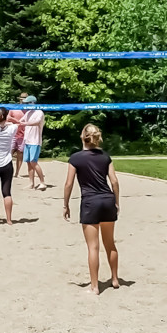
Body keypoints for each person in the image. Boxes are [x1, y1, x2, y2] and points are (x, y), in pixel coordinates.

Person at [63, 124, 120, 295]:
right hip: (107, 199)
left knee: (93, 247)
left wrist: (65, 204)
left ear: (83, 137)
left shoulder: (76, 158)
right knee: (110, 243)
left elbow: (68, 183)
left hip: (90, 202)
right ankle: (115, 279)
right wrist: (116, 202)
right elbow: (115, 181)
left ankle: (95, 287)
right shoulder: (105, 156)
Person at [19, 95, 47, 190]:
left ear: (32, 103)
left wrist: (24, 123)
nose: (25, 105)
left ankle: (42, 182)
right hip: (27, 140)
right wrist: (9, 122)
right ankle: (31, 183)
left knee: (33, 162)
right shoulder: (28, 113)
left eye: (27, 103)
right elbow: (20, 121)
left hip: (35, 141)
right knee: (28, 162)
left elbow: (36, 122)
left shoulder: (39, 112)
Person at [7, 92, 28, 177]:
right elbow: (8, 118)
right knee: (9, 153)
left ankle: (17, 173)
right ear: (20, 99)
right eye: (22, 99)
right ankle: (7, 172)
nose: (23, 101)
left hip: (23, 135)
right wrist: (16, 122)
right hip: (13, 134)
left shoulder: (29, 109)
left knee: (20, 154)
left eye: (25, 100)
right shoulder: (14, 108)